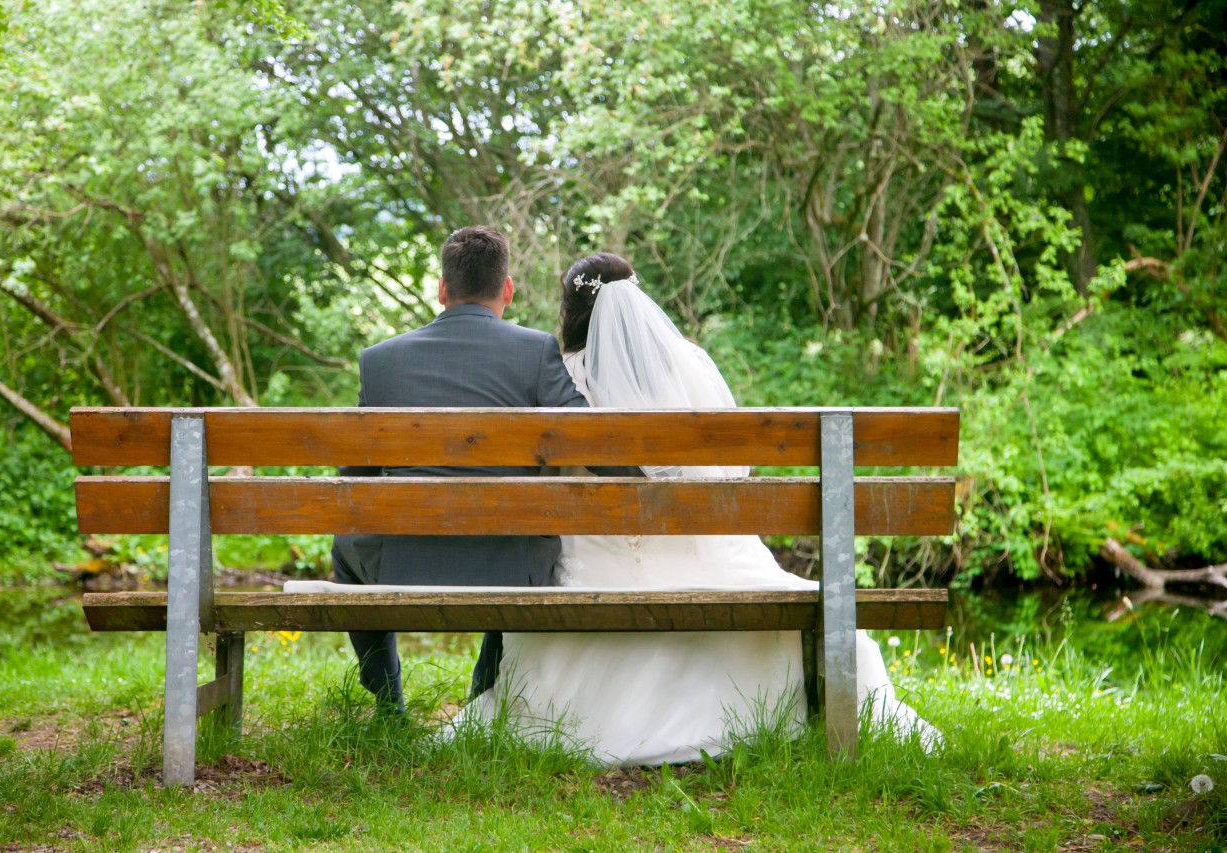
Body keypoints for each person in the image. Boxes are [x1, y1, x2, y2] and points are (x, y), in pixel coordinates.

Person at [452, 252, 939, 764]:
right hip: (713, 558)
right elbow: (730, 475)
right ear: (639, 300)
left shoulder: (557, 378)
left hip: (597, 568)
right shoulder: (687, 367)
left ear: (570, 311)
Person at [322, 227, 623, 713]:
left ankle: (388, 700)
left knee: (348, 546)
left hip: (401, 560)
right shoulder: (536, 351)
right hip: (508, 562)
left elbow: (353, 476)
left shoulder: (380, 361)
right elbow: (593, 443)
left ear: (442, 290)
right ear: (507, 289)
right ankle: (485, 693)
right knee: (531, 536)